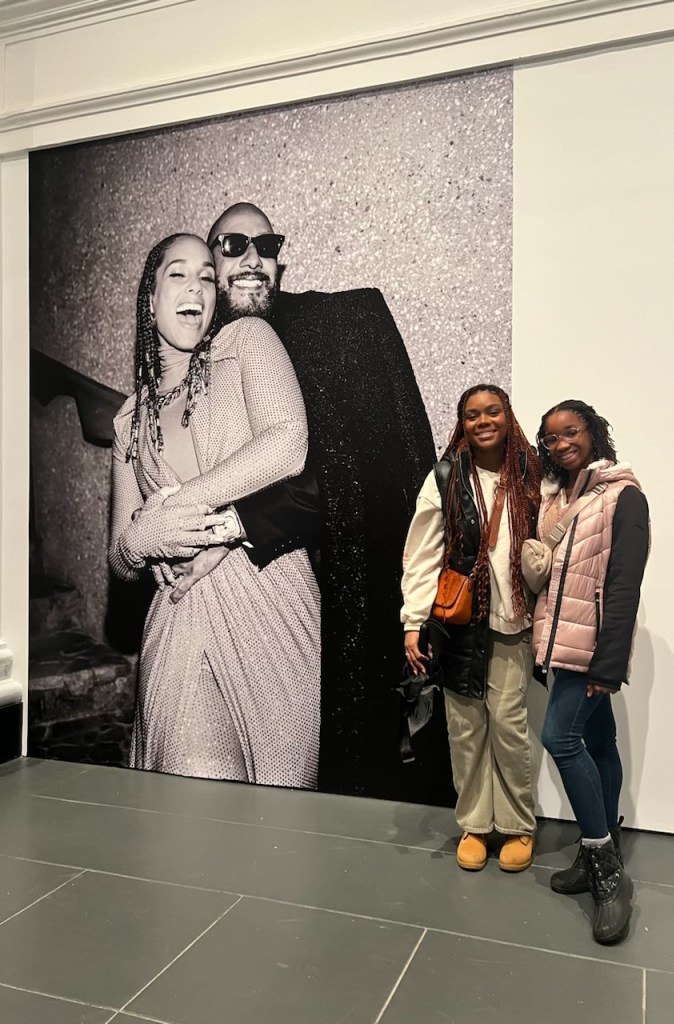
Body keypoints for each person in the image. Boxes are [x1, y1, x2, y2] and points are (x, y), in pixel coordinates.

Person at [187, 201, 450, 804]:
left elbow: (352, 471)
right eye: (233, 246)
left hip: (328, 600)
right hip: (226, 606)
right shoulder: (196, 357)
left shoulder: (328, 329)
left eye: (267, 246)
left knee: (332, 783)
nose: (253, 259)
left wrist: (230, 526)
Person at [108, 233, 321, 787]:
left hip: (273, 605)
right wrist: (142, 539)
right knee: (193, 801)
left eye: (206, 276)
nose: (196, 287)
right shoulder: (129, 421)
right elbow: (120, 558)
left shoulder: (246, 341)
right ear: (150, 298)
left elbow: (288, 444)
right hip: (181, 615)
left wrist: (178, 511)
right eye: (178, 274)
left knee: (279, 813)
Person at [401, 384, 542, 871]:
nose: (484, 421)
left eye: (493, 411)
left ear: (508, 415)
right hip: (458, 624)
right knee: (465, 729)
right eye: (473, 414)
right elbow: (421, 555)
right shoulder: (444, 477)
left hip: (513, 623)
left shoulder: (532, 474)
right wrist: (412, 623)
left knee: (508, 725)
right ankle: (475, 826)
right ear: (462, 423)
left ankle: (518, 825)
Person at [533, 399, 650, 945]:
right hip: (564, 645)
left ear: (593, 432)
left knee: (560, 738)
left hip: (592, 650)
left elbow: (625, 583)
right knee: (599, 741)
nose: (562, 444)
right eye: (552, 438)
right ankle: (598, 850)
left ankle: (608, 874)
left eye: (571, 432)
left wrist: (609, 661)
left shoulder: (625, 496)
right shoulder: (559, 497)